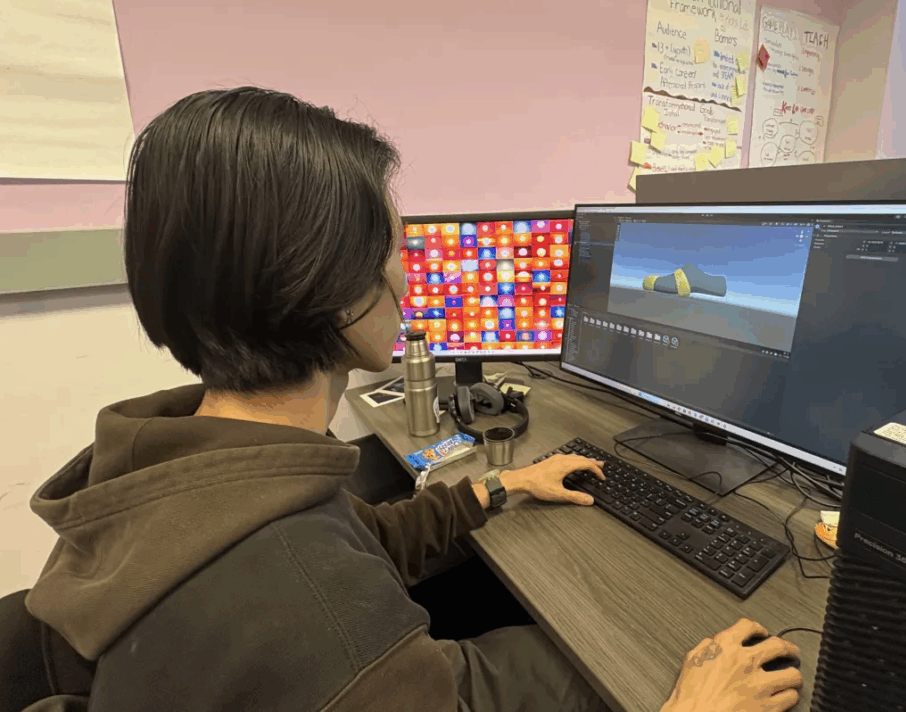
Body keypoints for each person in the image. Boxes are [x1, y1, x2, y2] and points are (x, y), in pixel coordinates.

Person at [22, 87, 802, 712]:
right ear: (334, 293)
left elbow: (356, 539)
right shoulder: (305, 600)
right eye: (396, 249)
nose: (405, 274)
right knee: (623, 664)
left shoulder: (189, 468)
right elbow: (326, 581)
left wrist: (502, 486)